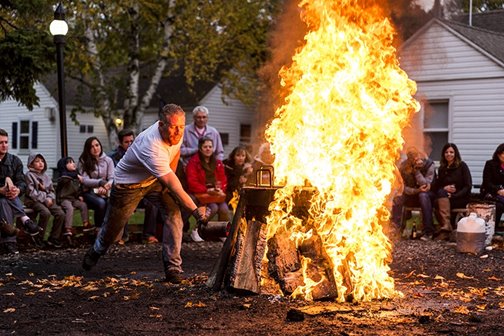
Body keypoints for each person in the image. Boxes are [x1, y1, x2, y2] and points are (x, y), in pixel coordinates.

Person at [81, 103, 207, 284]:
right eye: (173, 127)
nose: (178, 132)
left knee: (174, 214)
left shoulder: (177, 132)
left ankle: (173, 266)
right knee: (113, 231)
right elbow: (175, 185)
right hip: (128, 186)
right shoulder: (151, 145)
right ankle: (97, 250)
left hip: (154, 180)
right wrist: (197, 213)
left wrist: (165, 183)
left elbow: (175, 153)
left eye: (181, 127)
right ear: (161, 125)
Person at [108, 129, 159, 244]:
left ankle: (148, 235)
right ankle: (123, 236)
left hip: (141, 190)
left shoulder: (141, 153)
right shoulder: (114, 157)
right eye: (127, 142)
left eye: (132, 141)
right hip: (125, 191)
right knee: (124, 203)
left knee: (152, 204)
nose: (130, 144)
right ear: (121, 143)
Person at [0, 129, 42, 254]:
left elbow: (22, 182)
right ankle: (25, 220)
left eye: (6, 142)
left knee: (4, 201)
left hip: (8, 198)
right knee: (4, 196)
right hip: (4, 196)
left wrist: (18, 190)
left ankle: (9, 243)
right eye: (1, 142)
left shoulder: (15, 161)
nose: (4, 145)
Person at [186, 137, 229, 242]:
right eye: (205, 147)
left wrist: (220, 189)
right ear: (200, 148)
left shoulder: (218, 162)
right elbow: (192, 182)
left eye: (210, 146)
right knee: (213, 208)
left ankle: (222, 232)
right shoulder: (193, 162)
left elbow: (223, 179)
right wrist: (207, 190)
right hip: (201, 194)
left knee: (224, 208)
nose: (208, 149)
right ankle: (197, 230)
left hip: (215, 194)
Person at [391, 147, 436, 240]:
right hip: (411, 194)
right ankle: (395, 230)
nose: (413, 159)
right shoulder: (403, 167)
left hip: (427, 195)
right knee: (397, 199)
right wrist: (416, 191)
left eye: (415, 156)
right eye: (411, 157)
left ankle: (428, 231)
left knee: (423, 196)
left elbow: (425, 185)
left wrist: (417, 171)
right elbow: (402, 188)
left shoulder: (429, 164)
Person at [24, 154, 65, 248]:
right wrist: (45, 198)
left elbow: (51, 190)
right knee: (45, 213)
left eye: (42, 161)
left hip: (47, 200)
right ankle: (39, 237)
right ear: (31, 164)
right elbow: (31, 192)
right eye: (37, 161)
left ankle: (53, 238)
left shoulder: (46, 176)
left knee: (60, 213)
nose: (40, 163)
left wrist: (50, 198)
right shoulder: (29, 175)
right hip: (33, 201)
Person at [433, 143, 472, 241]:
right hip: (445, 198)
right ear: (443, 154)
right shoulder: (442, 168)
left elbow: (468, 186)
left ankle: (446, 228)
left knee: (439, 201)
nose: (448, 154)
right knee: (437, 199)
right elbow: (438, 185)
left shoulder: (462, 166)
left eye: (451, 152)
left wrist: (455, 195)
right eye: (446, 152)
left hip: (460, 197)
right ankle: (447, 227)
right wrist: (445, 187)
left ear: (456, 153)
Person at [78, 137, 114, 230]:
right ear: (88, 149)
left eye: (97, 145)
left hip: (105, 191)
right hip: (88, 192)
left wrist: (106, 186)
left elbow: (112, 178)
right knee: (101, 203)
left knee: (112, 202)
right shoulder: (83, 161)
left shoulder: (108, 160)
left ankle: (110, 230)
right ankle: (99, 229)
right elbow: (84, 180)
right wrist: (100, 183)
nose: (95, 148)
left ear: (100, 146)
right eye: (92, 147)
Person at [56, 157, 90, 237]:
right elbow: (66, 178)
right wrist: (76, 176)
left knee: (83, 205)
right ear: (64, 166)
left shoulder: (75, 175)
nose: (73, 164)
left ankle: (86, 223)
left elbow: (78, 188)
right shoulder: (63, 176)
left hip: (73, 198)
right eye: (70, 162)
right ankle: (68, 228)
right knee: (70, 208)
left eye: (73, 162)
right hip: (63, 198)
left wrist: (80, 195)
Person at [481, 143, 504, 226]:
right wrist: (498, 190)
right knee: (499, 206)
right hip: (491, 193)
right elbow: (486, 183)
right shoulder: (490, 164)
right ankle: (493, 228)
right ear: (498, 154)